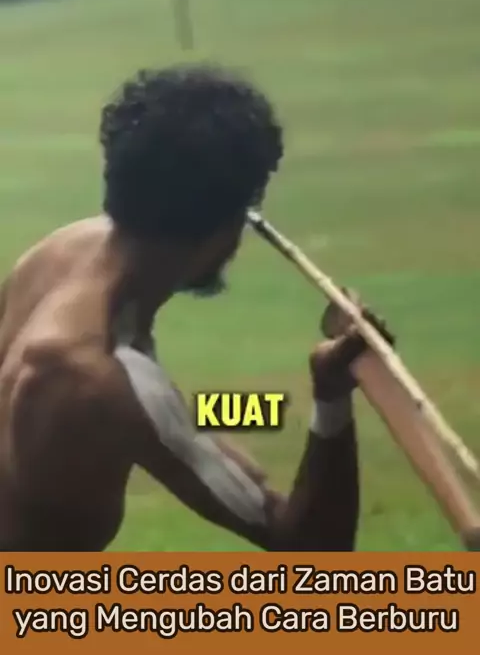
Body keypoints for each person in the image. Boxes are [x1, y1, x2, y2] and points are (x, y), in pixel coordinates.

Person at [0, 65, 392, 551]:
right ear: (223, 231)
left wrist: (243, 414)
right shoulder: (103, 383)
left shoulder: (58, 254)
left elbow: (156, 416)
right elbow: (310, 548)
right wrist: (330, 395)